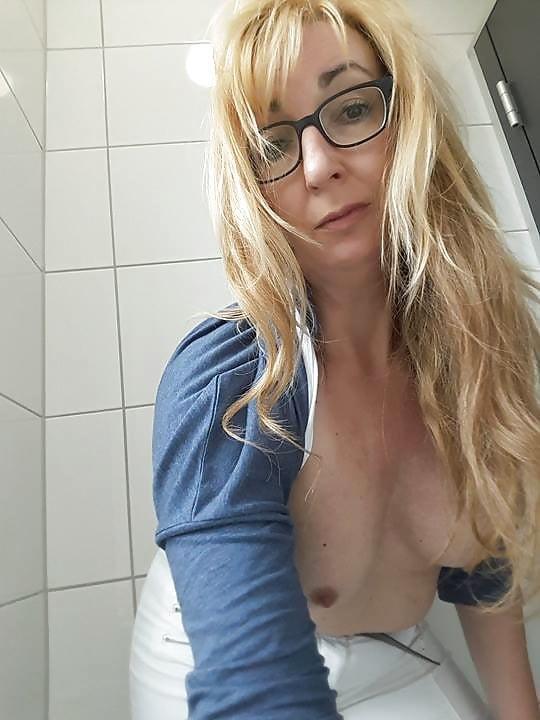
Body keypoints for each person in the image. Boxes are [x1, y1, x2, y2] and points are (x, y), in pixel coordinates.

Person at [129, 1, 540, 718]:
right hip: (206, 659)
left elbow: (485, 583)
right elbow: (252, 690)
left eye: (351, 109)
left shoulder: (479, 353)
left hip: (393, 645)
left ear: (409, 119)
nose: (319, 167)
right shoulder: (237, 382)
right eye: (272, 146)